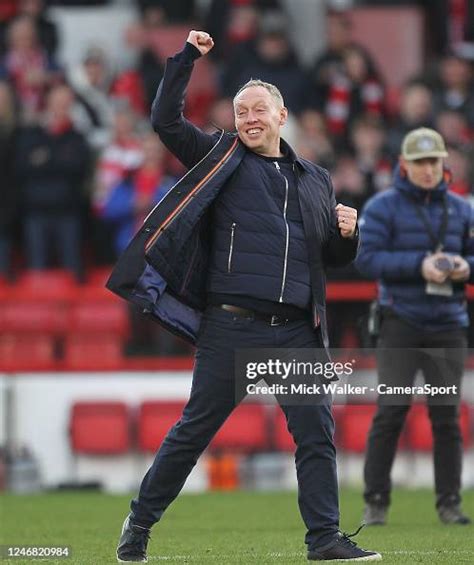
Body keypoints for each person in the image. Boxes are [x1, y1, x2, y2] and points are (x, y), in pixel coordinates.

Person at [109, 30, 381, 562]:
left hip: (298, 330)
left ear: (282, 117)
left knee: (316, 435)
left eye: (259, 109)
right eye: (240, 111)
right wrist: (188, 57)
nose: (249, 118)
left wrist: (349, 235)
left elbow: (326, 256)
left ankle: (324, 539)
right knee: (194, 433)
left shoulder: (317, 179)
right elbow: (165, 119)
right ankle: (139, 523)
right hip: (231, 326)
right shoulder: (219, 155)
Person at [356, 127, 473, 526]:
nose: (428, 169)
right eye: (421, 162)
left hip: (447, 324)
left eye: (434, 161)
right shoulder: (382, 207)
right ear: (404, 165)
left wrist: (465, 267)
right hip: (399, 322)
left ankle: (449, 503)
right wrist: (417, 265)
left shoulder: (462, 210)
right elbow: (366, 260)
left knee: (446, 416)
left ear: (444, 165)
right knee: (391, 410)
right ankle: (376, 501)